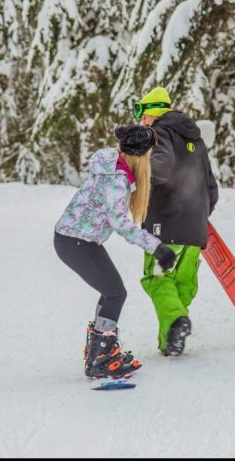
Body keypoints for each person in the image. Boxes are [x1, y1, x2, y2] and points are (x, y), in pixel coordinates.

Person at [54, 125, 177, 380]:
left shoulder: (114, 167)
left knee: (111, 291)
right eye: (149, 154)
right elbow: (120, 223)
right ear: (139, 155)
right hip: (75, 241)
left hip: (77, 240)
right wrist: (157, 247)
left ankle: (99, 351)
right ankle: (100, 357)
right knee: (115, 292)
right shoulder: (117, 180)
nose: (150, 159)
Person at [133, 87, 219, 357]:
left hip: (165, 224)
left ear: (152, 113)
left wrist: (136, 173)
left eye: (142, 114)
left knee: (156, 279)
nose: (141, 121)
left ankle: (175, 321)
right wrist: (198, 215)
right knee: (182, 283)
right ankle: (169, 341)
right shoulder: (197, 140)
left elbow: (160, 168)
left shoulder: (158, 133)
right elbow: (212, 188)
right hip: (195, 228)